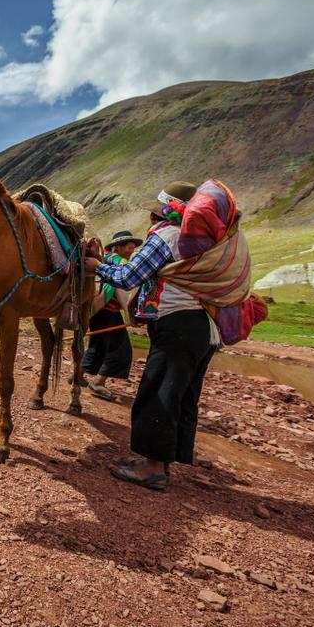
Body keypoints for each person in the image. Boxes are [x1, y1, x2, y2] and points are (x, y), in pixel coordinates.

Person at [84, 181, 218, 491]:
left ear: (160, 215)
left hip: (178, 326)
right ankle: (162, 462)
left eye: (153, 214)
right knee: (179, 394)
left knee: (158, 392)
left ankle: (153, 469)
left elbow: (130, 276)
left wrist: (97, 266)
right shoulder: (198, 241)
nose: (150, 220)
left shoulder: (167, 237)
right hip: (201, 327)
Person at [82, 230, 142, 401]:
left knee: (98, 345)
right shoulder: (121, 264)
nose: (131, 250)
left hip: (96, 309)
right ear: (118, 247)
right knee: (121, 349)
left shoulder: (104, 259)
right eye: (128, 247)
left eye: (132, 248)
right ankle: (98, 382)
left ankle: (77, 375)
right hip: (109, 312)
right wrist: (133, 315)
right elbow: (124, 292)